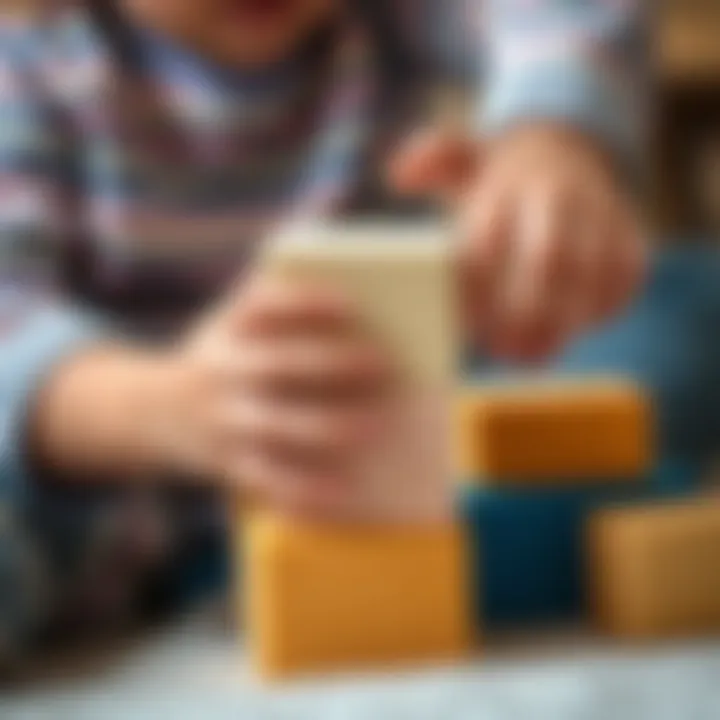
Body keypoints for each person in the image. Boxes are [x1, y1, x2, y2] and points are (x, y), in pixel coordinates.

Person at [0, 0, 645, 664]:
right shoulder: (30, 57)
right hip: (84, 493)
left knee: (658, 332)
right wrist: (171, 406)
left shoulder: (376, 22)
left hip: (359, 472)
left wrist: (551, 137)